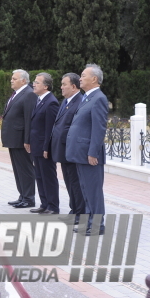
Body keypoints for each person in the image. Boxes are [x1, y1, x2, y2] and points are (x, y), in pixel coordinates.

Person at [66, 64, 109, 236]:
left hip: (89, 154)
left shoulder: (99, 98)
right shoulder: (87, 97)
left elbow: (99, 129)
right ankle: (90, 222)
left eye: (83, 75)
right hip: (80, 152)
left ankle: (97, 225)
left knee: (93, 190)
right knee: (85, 189)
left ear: (94, 79)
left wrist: (93, 152)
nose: (80, 78)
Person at [46, 73, 85, 224]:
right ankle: (73, 210)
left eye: (64, 84)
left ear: (74, 87)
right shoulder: (66, 101)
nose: (61, 87)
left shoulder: (79, 101)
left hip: (71, 149)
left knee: (75, 182)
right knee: (69, 182)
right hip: (62, 149)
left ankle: (80, 214)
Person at [2, 69, 37, 208]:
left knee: (25, 169)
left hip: (22, 140)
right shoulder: (17, 94)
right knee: (18, 169)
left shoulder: (28, 94)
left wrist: (27, 140)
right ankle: (22, 195)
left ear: (23, 80)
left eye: (14, 78)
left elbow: (29, 119)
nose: (11, 80)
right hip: (13, 139)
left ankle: (29, 198)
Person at [28, 73, 59, 215]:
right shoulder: (39, 100)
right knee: (39, 176)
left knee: (48, 177)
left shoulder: (51, 102)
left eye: (37, 82)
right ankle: (44, 203)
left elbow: (50, 128)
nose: (33, 84)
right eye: (34, 82)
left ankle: (53, 206)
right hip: (36, 146)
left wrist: (47, 147)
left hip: (44, 147)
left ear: (46, 86)